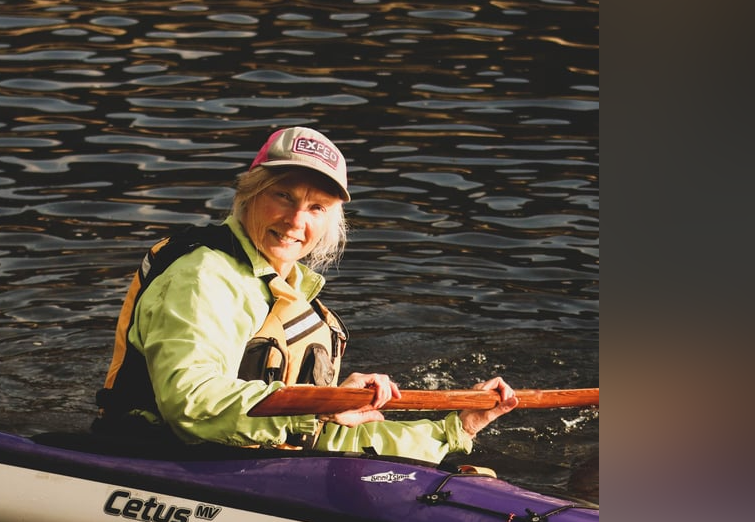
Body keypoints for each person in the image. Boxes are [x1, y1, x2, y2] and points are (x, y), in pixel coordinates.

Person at [95, 126, 518, 464]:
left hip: (242, 463)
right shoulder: (205, 276)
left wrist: (455, 429)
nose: (296, 220)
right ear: (250, 193)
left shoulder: (291, 288)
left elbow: (322, 435)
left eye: (317, 208)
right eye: (284, 196)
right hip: (156, 461)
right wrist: (320, 406)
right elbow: (191, 404)